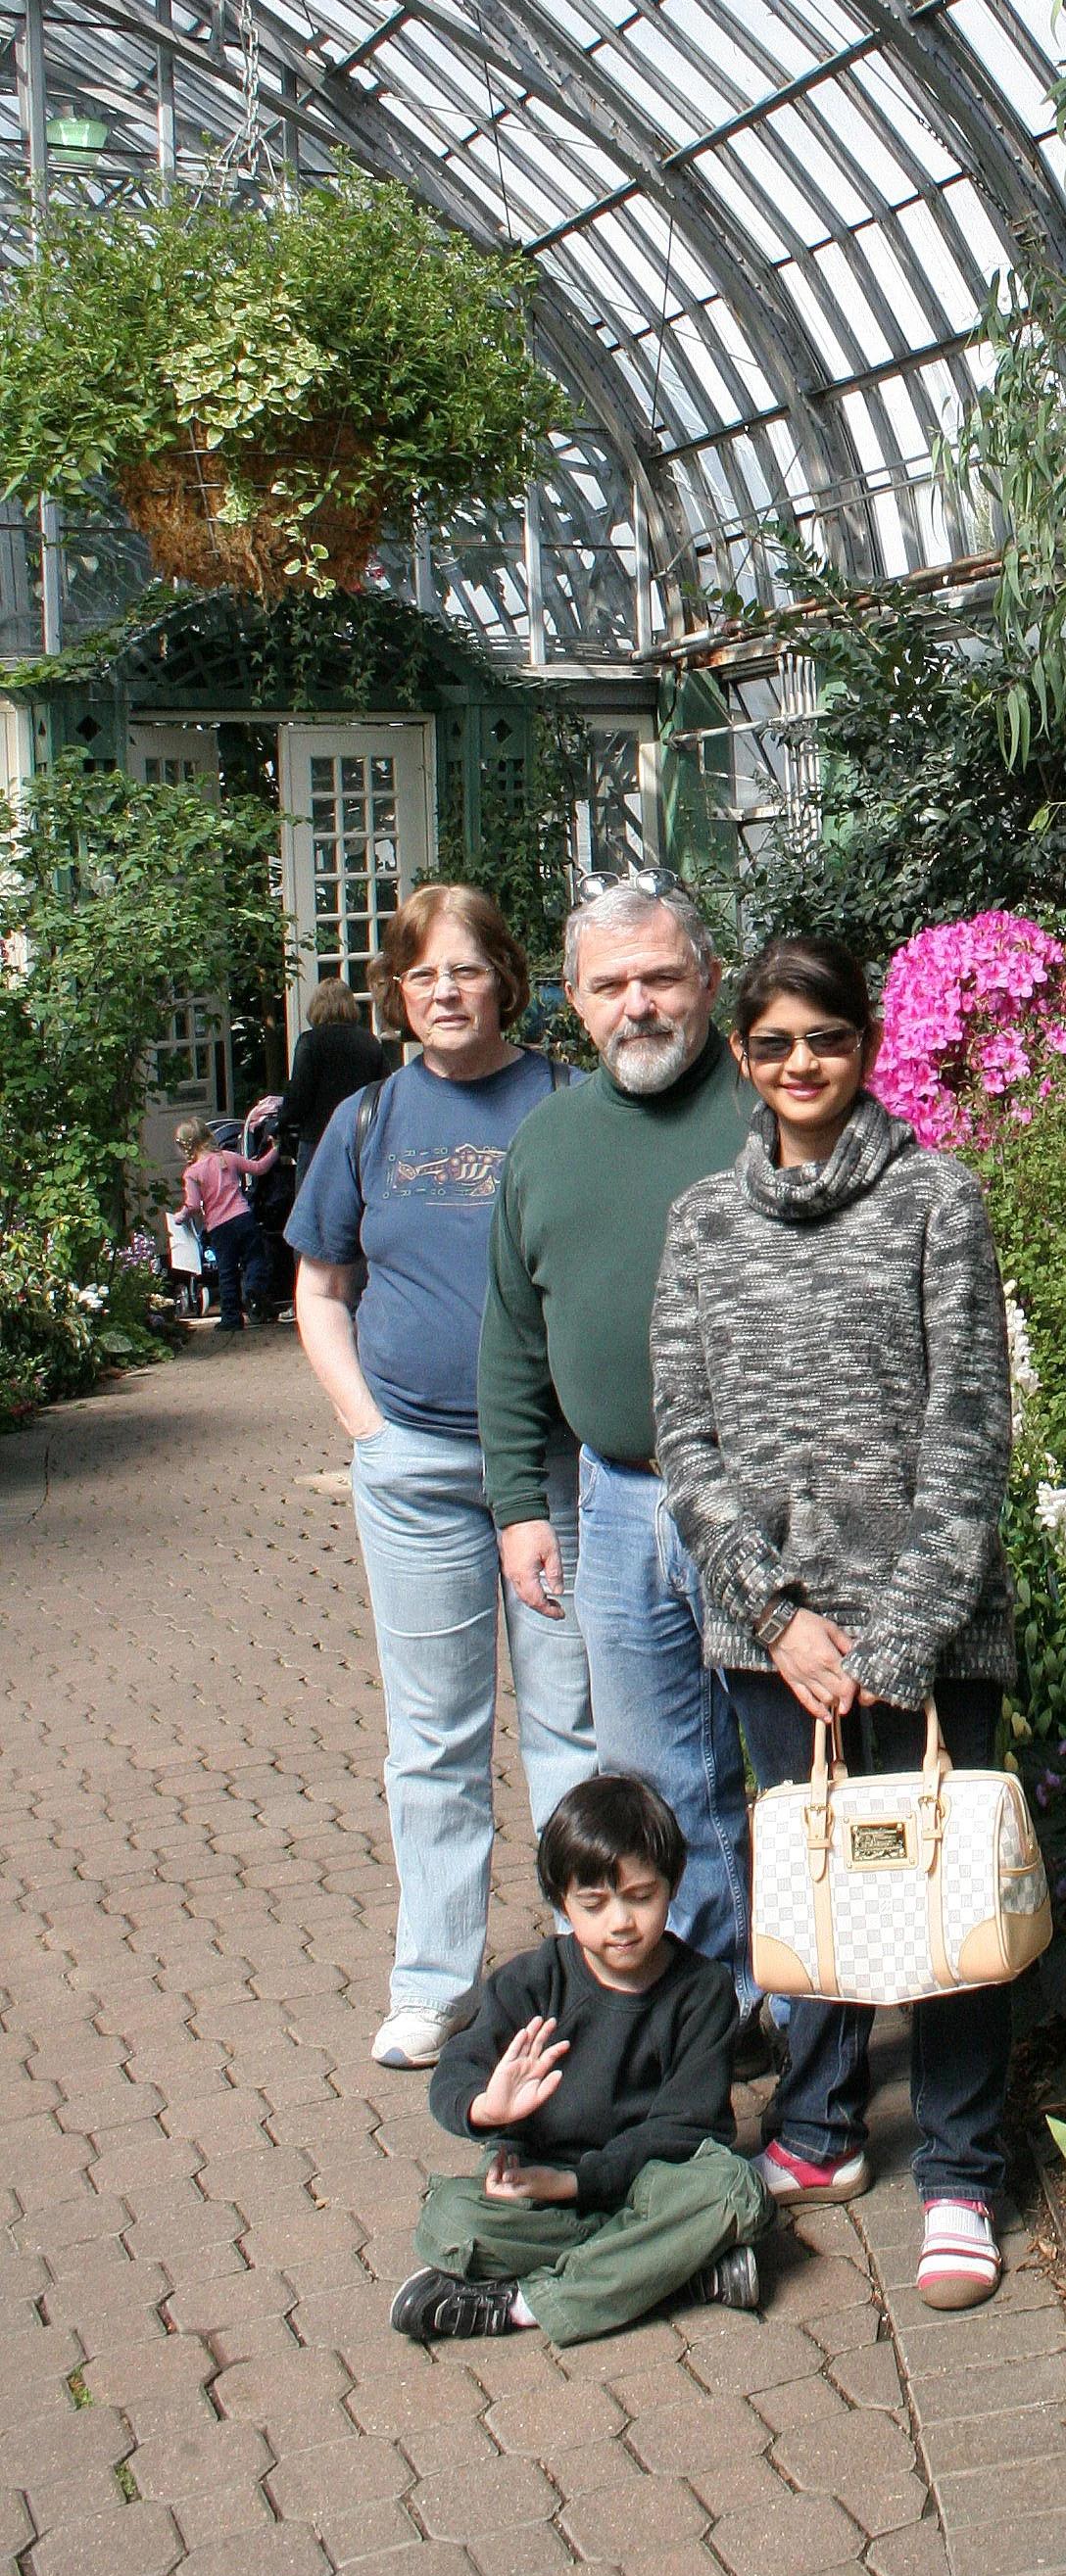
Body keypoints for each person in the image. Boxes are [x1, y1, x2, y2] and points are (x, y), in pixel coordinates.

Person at [649, 932, 1019, 2314]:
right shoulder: (701, 1224)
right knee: (804, 1884)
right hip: (772, 1637)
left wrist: (901, 1633)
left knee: (941, 1897)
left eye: (826, 1038)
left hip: (927, 1625)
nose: (800, 1064)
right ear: (742, 1061)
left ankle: (962, 2174)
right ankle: (815, 2130)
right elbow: (684, 1440)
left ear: (866, 1046)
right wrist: (775, 1614)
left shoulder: (935, 1200)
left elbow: (969, 1429)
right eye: (773, 1045)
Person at [289, 883, 597, 2073]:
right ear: (397, 992)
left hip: (553, 1468)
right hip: (413, 1469)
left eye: (465, 971)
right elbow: (321, 1286)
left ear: (505, 979)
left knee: (573, 1725)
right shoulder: (367, 1119)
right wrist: (364, 1425)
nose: (444, 994)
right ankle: (434, 1979)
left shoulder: (566, 1100)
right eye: (422, 977)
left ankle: (592, 1966)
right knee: (433, 1737)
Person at [479, 872, 761, 2043]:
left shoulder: (770, 1118)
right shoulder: (546, 1145)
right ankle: (715, 2022)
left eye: (659, 976)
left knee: (793, 1779)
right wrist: (517, 1505)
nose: (638, 1004)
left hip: (764, 1503)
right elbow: (508, 1339)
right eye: (610, 985)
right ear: (575, 1005)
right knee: (654, 1790)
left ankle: (808, 2009)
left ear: (706, 980)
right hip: (615, 1498)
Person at [391, 1770, 773, 2345]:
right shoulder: (529, 1982)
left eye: (642, 1897)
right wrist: (486, 2111)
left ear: (673, 1884)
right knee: (449, 2217)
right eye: (593, 1904)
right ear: (562, 1902)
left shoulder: (704, 1990)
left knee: (732, 2189)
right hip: (541, 2203)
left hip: (649, 2190)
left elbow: (687, 2127)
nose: (621, 1922)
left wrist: (572, 2183)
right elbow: (457, 2072)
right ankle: (673, 2275)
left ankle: (521, 2305)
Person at [274, 978, 394, 1197]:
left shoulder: (310, 1042)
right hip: (360, 1139)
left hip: (317, 1138)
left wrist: (282, 1121)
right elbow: (384, 1092)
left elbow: (299, 1095)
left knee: (313, 1208)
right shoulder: (369, 1042)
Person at [174, 1116, 277, 1333]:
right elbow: (259, 1168)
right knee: (256, 1258)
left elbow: (192, 1205)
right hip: (243, 1218)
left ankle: (231, 1317)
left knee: (227, 1271)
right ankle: (254, 1289)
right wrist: (276, 1149)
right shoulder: (227, 1157)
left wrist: (180, 1217)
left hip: (219, 1228)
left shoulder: (192, 1173)